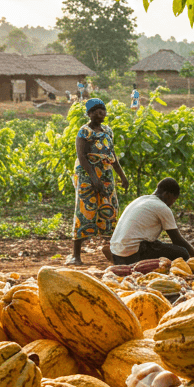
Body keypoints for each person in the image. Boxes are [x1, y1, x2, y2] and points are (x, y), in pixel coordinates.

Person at [72, 98, 128, 265]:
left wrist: (122, 176)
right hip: (87, 174)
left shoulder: (108, 131)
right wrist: (94, 179)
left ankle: (115, 252)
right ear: (89, 114)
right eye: (96, 110)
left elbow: (112, 156)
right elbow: (82, 157)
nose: (100, 113)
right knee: (84, 210)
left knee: (110, 208)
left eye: (102, 110)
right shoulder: (84, 132)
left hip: (105, 173)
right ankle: (76, 255)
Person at [102, 178, 194, 264]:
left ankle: (119, 257)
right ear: (167, 195)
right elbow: (177, 241)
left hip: (116, 251)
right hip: (134, 254)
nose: (171, 204)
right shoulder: (162, 207)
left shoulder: (140, 200)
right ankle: (130, 261)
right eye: (173, 200)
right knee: (182, 253)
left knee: (156, 244)